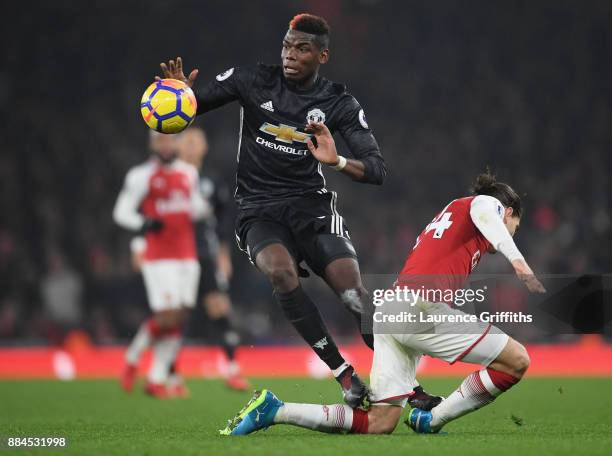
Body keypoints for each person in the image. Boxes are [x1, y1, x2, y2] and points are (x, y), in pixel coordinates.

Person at [156, 12, 438, 409]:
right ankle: (345, 375)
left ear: (322, 56)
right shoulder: (252, 80)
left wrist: (337, 161)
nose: (290, 54)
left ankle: (406, 386)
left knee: (354, 295)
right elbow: (182, 117)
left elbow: (376, 169)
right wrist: (181, 99)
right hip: (258, 209)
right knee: (281, 272)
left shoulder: (338, 102)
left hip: (312, 207)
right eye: (287, 45)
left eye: (302, 49)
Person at [219, 170, 546, 436]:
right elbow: (487, 211)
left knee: (379, 423)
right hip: (419, 310)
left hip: (391, 311)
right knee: (517, 360)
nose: (512, 232)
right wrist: (517, 261)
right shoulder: (486, 205)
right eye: (515, 226)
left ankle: (275, 410)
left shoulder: (454, 214)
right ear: (510, 212)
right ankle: (431, 420)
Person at [113, 131, 207, 398]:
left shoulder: (189, 173)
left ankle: (156, 379)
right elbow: (121, 211)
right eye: (160, 141)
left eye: (170, 140)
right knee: (166, 316)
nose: (166, 145)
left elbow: (194, 207)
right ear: (152, 144)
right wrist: (142, 224)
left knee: (180, 316)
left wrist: (207, 206)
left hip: (187, 253)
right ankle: (132, 359)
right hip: (159, 256)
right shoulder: (140, 175)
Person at [176, 127, 250, 390]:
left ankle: (232, 368)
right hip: (176, 256)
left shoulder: (212, 181)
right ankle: (169, 372)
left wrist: (223, 255)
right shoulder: (169, 178)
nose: (192, 146)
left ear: (205, 148)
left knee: (219, 307)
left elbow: (221, 223)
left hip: (205, 254)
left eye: (197, 141)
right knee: (176, 314)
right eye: (187, 141)